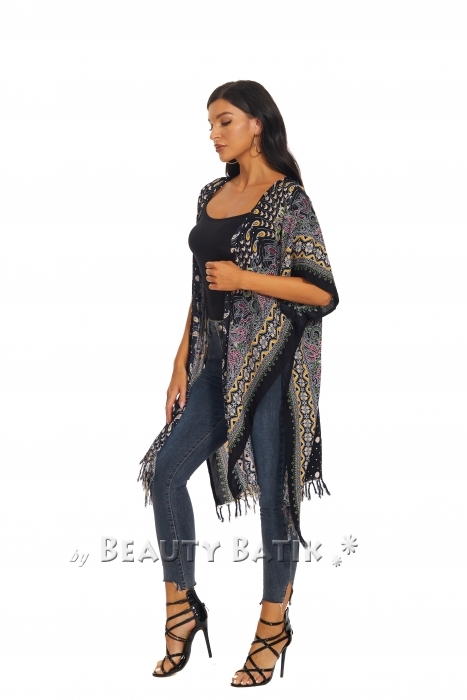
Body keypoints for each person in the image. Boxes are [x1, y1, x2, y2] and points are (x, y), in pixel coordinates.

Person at [137, 80, 339, 686]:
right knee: (164, 471)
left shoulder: (290, 201)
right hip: (212, 359)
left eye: (224, 121)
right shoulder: (211, 195)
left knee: (275, 495)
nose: (214, 134)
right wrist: (180, 361)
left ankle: (273, 625)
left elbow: (322, 291)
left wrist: (248, 278)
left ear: (257, 123)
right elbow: (201, 287)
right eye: (210, 124)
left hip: (272, 362)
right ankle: (182, 608)